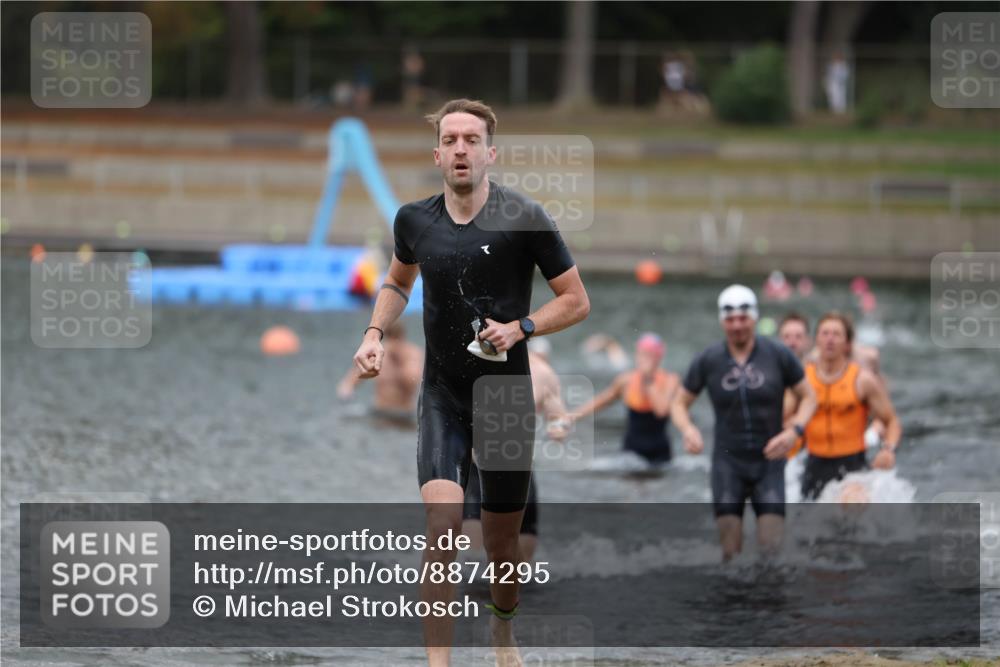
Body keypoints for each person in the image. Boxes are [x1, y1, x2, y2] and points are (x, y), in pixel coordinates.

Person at [350, 99, 589, 667]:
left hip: (505, 397)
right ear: (437, 155)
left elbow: (576, 301)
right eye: (451, 140)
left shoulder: (525, 218)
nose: (461, 149)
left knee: (503, 546)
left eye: (471, 140)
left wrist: (522, 327)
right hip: (443, 395)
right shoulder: (414, 220)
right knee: (443, 532)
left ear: (490, 153)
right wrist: (374, 332)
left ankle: (503, 637)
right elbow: (397, 283)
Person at [671, 285, 816, 562]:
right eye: (730, 319)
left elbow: (809, 396)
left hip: (769, 462)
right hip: (728, 462)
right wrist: (688, 429)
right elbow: (679, 403)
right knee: (730, 552)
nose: (737, 325)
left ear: (754, 318)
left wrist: (794, 431)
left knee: (771, 550)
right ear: (722, 321)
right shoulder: (709, 359)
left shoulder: (777, 354)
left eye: (743, 318)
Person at [462, 338, 570, 564]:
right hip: (478, 467)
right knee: (472, 559)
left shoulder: (542, 372)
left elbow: (558, 415)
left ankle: (518, 597)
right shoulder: (478, 360)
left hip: (520, 470)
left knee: (523, 565)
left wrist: (558, 427)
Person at [800, 312, 902, 500]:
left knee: (852, 504)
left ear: (847, 344)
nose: (830, 339)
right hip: (814, 465)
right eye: (825, 333)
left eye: (836, 334)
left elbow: (892, 420)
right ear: (816, 340)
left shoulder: (863, 380)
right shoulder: (802, 379)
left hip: (852, 466)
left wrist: (888, 449)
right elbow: (782, 416)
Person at [566, 333, 679, 465]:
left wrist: (648, 380)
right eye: (640, 354)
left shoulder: (670, 380)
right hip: (632, 452)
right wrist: (571, 416)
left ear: (658, 358)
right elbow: (601, 401)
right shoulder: (626, 380)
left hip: (660, 453)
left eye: (648, 355)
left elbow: (661, 411)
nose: (643, 359)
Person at [338, 321, 423, 426]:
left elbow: (411, 384)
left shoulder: (412, 354)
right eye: (390, 337)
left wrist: (399, 362)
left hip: (403, 414)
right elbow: (350, 382)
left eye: (396, 338)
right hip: (380, 412)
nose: (393, 343)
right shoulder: (378, 353)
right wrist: (348, 390)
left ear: (402, 336)